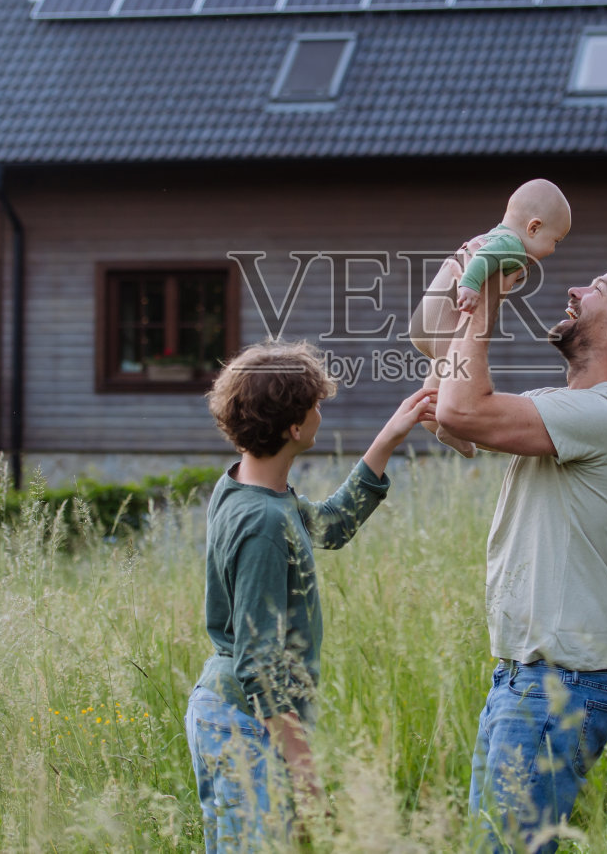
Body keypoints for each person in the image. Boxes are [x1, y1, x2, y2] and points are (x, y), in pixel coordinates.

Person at [436, 258, 607, 853]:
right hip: (526, 678)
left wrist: (491, 293)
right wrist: (465, 279)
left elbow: (460, 410)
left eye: (597, 289)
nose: (574, 289)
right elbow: (450, 387)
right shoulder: (565, 407)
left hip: (559, 683)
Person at [183, 340, 434, 852]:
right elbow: (260, 665)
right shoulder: (263, 524)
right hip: (245, 720)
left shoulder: (244, 489)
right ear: (294, 427)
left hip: (240, 714)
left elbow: (330, 527)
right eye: (315, 404)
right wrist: (306, 775)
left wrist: (388, 437)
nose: (322, 410)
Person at [411, 178, 572, 457]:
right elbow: (484, 259)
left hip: (425, 322)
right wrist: (470, 287)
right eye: (554, 240)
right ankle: (450, 426)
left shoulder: (491, 236)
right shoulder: (510, 244)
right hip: (443, 327)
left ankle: (430, 413)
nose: (553, 250)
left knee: (443, 372)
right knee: (461, 369)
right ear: (533, 227)